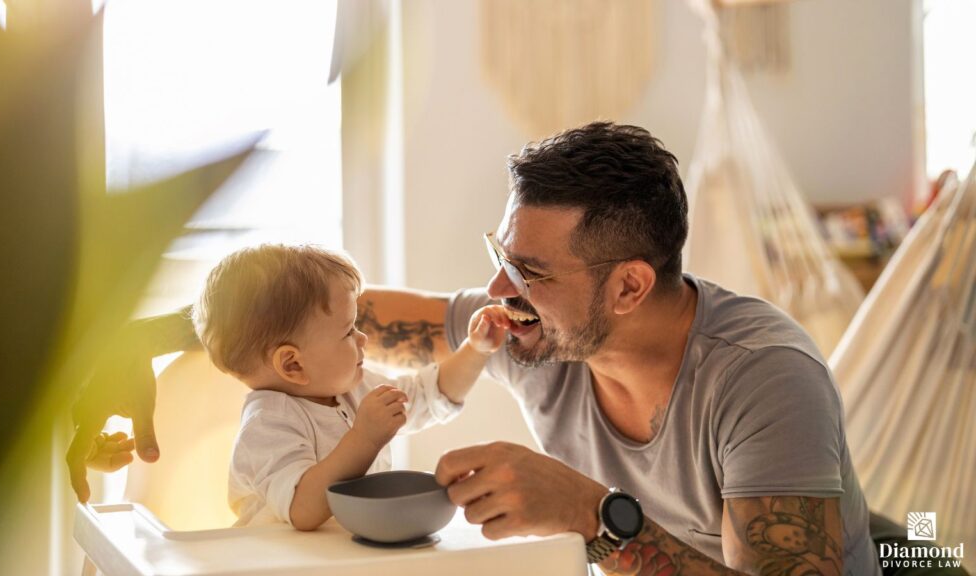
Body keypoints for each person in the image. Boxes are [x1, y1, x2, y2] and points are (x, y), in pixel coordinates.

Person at [70, 123, 879, 574]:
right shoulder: (528, 330)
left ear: (630, 287)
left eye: (529, 270)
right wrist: (145, 338)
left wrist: (592, 514)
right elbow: (334, 319)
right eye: (500, 254)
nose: (496, 293)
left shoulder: (762, 381)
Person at [195, 244, 508, 527]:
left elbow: (428, 395)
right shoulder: (267, 424)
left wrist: (475, 349)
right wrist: (364, 438)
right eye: (347, 332)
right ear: (293, 364)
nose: (363, 338)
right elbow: (303, 509)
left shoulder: (352, 387)